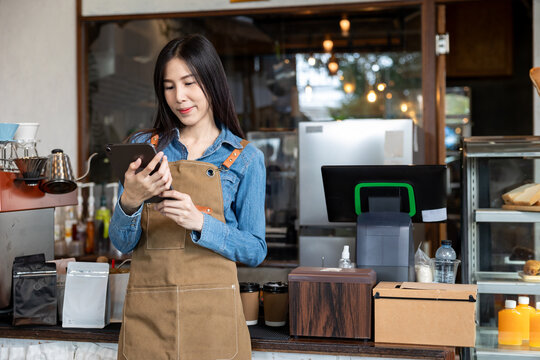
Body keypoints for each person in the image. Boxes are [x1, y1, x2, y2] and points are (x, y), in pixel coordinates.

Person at [109, 34, 267, 360]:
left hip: (214, 319)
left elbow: (255, 249)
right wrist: (131, 200)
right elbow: (122, 243)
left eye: (189, 83)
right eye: (169, 86)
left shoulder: (245, 158)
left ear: (211, 81)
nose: (179, 97)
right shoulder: (145, 146)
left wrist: (200, 223)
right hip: (149, 315)